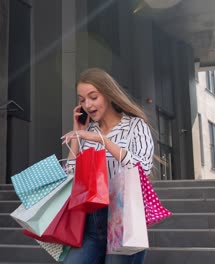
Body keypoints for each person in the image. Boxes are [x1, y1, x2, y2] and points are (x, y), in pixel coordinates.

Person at [61, 68, 154, 264]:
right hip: (91, 224)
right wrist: (78, 136)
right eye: (82, 99)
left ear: (108, 94)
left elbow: (143, 168)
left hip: (124, 219)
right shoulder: (89, 131)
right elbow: (70, 177)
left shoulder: (135, 126)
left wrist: (103, 141)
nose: (87, 104)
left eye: (93, 97)